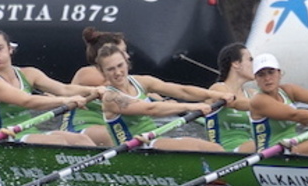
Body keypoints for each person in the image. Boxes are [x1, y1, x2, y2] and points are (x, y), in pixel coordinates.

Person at [0, 27, 100, 146]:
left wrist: (94, 90)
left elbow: (63, 89)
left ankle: (101, 170)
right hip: (5, 140)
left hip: (30, 133)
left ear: (10, 49)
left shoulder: (29, 73)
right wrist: (66, 101)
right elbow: (28, 101)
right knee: (57, 141)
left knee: (81, 140)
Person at [83, 43, 221, 151]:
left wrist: (216, 94)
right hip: (134, 150)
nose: (118, 72)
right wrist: (192, 107)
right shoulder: (110, 97)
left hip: (152, 142)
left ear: (126, 62)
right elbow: (151, 109)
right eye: (110, 69)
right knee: (197, 147)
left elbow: (182, 90)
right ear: (102, 72)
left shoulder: (141, 81)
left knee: (213, 148)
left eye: (120, 65)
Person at [203, 42, 258, 153]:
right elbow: (235, 103)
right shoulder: (217, 89)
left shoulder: (252, 94)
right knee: (266, 142)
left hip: (250, 150)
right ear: (236, 64)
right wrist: (268, 105)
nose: (254, 64)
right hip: (224, 152)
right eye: (250, 60)